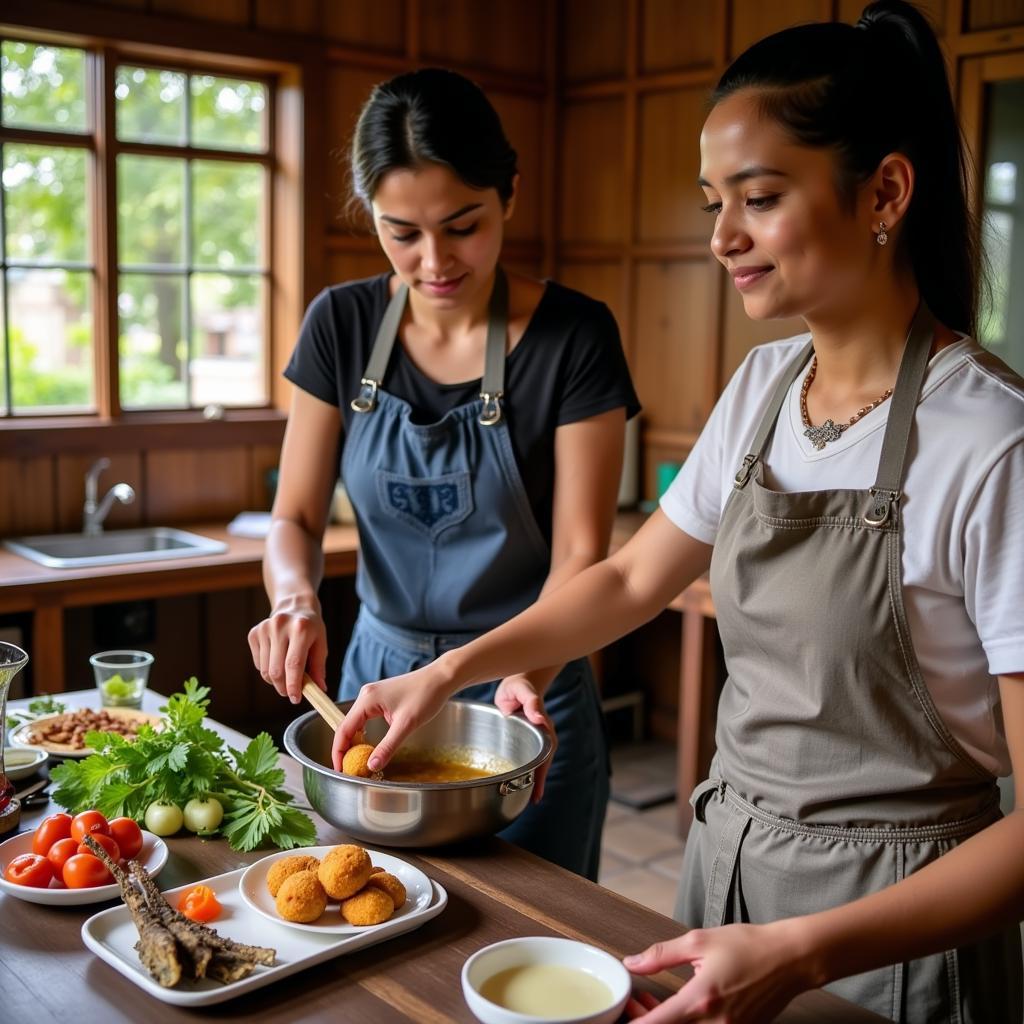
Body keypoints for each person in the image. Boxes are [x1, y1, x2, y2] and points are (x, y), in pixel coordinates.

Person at [332, 3, 1024, 1021]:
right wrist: (446, 674)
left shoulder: (989, 439)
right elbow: (624, 579)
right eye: (714, 201)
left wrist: (799, 950)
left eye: (759, 196)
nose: (721, 237)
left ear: (883, 191)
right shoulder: (761, 387)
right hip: (725, 883)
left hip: (889, 940)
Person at [248, 67, 640, 881]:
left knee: (539, 945)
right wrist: (294, 600)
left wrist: (526, 676)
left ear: (510, 195)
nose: (434, 262)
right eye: (402, 232)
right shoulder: (340, 324)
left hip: (524, 693)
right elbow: (293, 518)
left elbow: (579, 555)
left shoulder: (575, 336)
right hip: (374, 688)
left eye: (463, 226)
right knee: (370, 921)